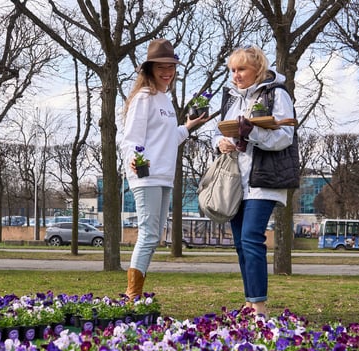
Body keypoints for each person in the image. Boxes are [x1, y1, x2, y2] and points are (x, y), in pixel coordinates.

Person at [121, 39, 208, 301]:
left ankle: (135, 292)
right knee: (148, 234)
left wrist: (189, 125)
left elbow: (169, 137)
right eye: (161, 67)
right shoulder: (144, 98)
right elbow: (130, 138)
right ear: (149, 69)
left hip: (164, 175)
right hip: (146, 176)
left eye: (170, 66)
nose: (167, 72)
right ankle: (132, 294)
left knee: (155, 235)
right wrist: (134, 161)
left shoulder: (165, 100)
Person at [213, 46, 295, 318]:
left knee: (251, 238)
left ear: (257, 69)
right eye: (232, 70)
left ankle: (259, 308)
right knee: (240, 242)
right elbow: (218, 133)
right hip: (237, 181)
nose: (236, 76)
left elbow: (285, 137)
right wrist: (222, 142)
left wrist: (252, 134)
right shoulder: (231, 98)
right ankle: (249, 302)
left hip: (263, 179)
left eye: (241, 70)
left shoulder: (276, 93)